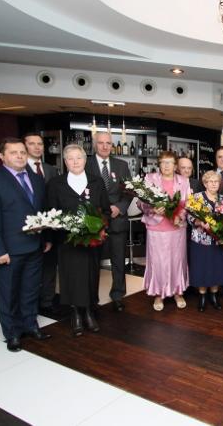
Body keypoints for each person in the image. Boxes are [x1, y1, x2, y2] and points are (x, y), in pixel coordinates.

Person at [0, 137, 52, 352]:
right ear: (1, 156)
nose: (19, 156)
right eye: (13, 152)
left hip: (34, 246)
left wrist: (46, 238)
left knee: (30, 290)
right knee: (9, 293)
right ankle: (12, 333)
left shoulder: (36, 179)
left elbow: (42, 211)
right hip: (8, 250)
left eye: (22, 152)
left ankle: (30, 325)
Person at [47, 144, 110, 337]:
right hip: (67, 241)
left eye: (79, 158)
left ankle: (89, 311)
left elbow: (106, 210)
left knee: (91, 275)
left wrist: (98, 227)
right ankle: (75, 313)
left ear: (85, 160)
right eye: (70, 158)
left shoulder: (96, 182)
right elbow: (51, 213)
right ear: (65, 162)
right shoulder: (55, 184)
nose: (75, 162)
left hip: (92, 241)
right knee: (70, 276)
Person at [85, 132, 132, 312]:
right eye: (101, 143)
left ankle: (118, 295)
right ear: (94, 144)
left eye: (108, 143)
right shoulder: (85, 164)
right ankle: (91, 298)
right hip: (95, 221)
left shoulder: (122, 165)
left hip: (117, 220)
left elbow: (129, 191)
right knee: (93, 262)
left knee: (119, 261)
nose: (105, 146)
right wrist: (98, 211)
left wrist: (119, 207)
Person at [139, 151, 190, 311]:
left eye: (170, 162)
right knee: (158, 262)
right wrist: (152, 208)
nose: (166, 166)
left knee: (177, 261)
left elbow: (188, 204)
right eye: (163, 162)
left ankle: (178, 292)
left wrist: (180, 216)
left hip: (176, 228)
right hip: (156, 228)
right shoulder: (150, 179)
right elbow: (141, 202)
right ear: (159, 164)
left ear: (175, 166)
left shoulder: (184, 181)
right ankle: (158, 294)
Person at [24, 132, 59, 315]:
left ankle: (47, 300)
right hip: (29, 226)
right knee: (30, 268)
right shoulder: (20, 169)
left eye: (40, 144)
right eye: (32, 144)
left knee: (49, 266)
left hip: (50, 225)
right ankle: (30, 304)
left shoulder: (50, 169)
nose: (37, 147)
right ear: (25, 146)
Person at [187, 171, 223, 311]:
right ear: (205, 183)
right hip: (201, 240)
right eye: (210, 181)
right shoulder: (196, 197)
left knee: (217, 268)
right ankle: (202, 296)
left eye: (216, 182)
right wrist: (200, 222)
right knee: (202, 268)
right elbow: (189, 217)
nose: (213, 184)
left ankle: (214, 295)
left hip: (218, 241)